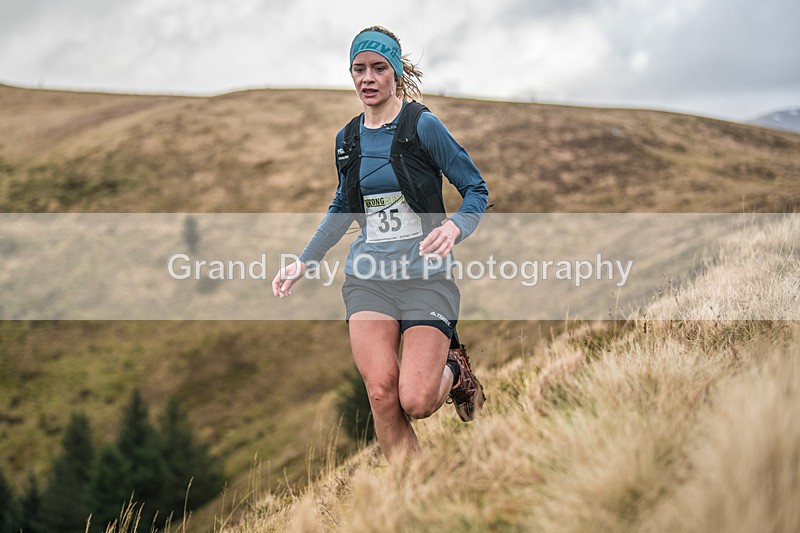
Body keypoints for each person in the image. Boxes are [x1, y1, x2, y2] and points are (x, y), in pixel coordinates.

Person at [271, 26, 489, 462]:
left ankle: (455, 370)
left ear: (396, 73)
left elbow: (476, 190)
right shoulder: (348, 140)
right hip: (369, 278)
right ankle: (413, 495)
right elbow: (343, 206)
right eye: (359, 69)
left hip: (425, 279)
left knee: (417, 399)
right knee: (381, 391)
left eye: (378, 68)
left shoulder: (422, 126)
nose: (367, 78)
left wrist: (454, 227)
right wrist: (304, 262)